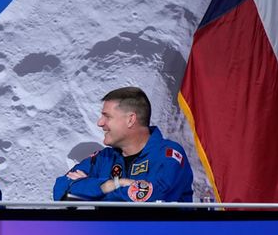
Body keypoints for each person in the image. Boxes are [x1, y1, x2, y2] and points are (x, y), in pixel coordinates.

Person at [53, 86, 193, 202]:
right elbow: (60, 190)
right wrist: (111, 184)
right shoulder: (103, 158)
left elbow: (153, 197)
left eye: (107, 116)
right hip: (108, 234)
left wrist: (91, 193)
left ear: (130, 120)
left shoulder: (168, 155)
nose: (100, 123)